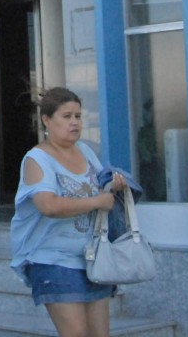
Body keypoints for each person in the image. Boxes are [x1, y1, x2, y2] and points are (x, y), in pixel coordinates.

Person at [9, 87, 127, 337]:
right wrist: (96, 201)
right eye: (67, 116)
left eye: (78, 116)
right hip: (53, 260)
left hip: (93, 259)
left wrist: (114, 186)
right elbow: (48, 205)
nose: (74, 122)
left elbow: (100, 188)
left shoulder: (85, 151)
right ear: (47, 120)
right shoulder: (37, 159)